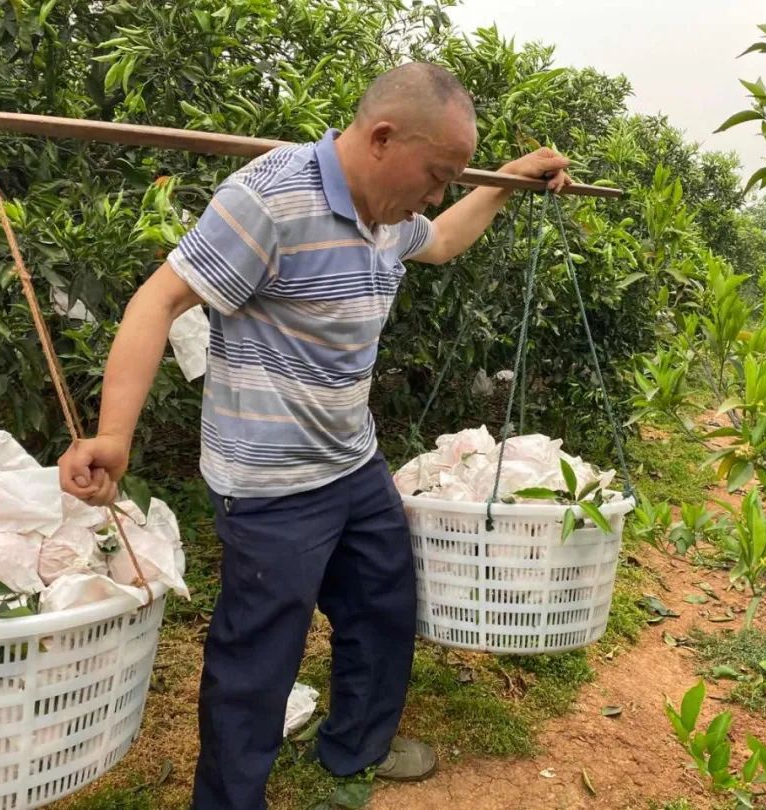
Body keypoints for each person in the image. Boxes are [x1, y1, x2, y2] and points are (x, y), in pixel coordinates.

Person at [58, 61, 572, 810]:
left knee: (382, 607)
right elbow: (157, 301)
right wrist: (113, 437)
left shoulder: (386, 214)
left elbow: (439, 241)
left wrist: (504, 183)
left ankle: (356, 745)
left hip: (351, 460)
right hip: (269, 483)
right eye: (436, 175)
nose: (436, 194)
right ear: (382, 138)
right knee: (259, 657)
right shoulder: (268, 200)